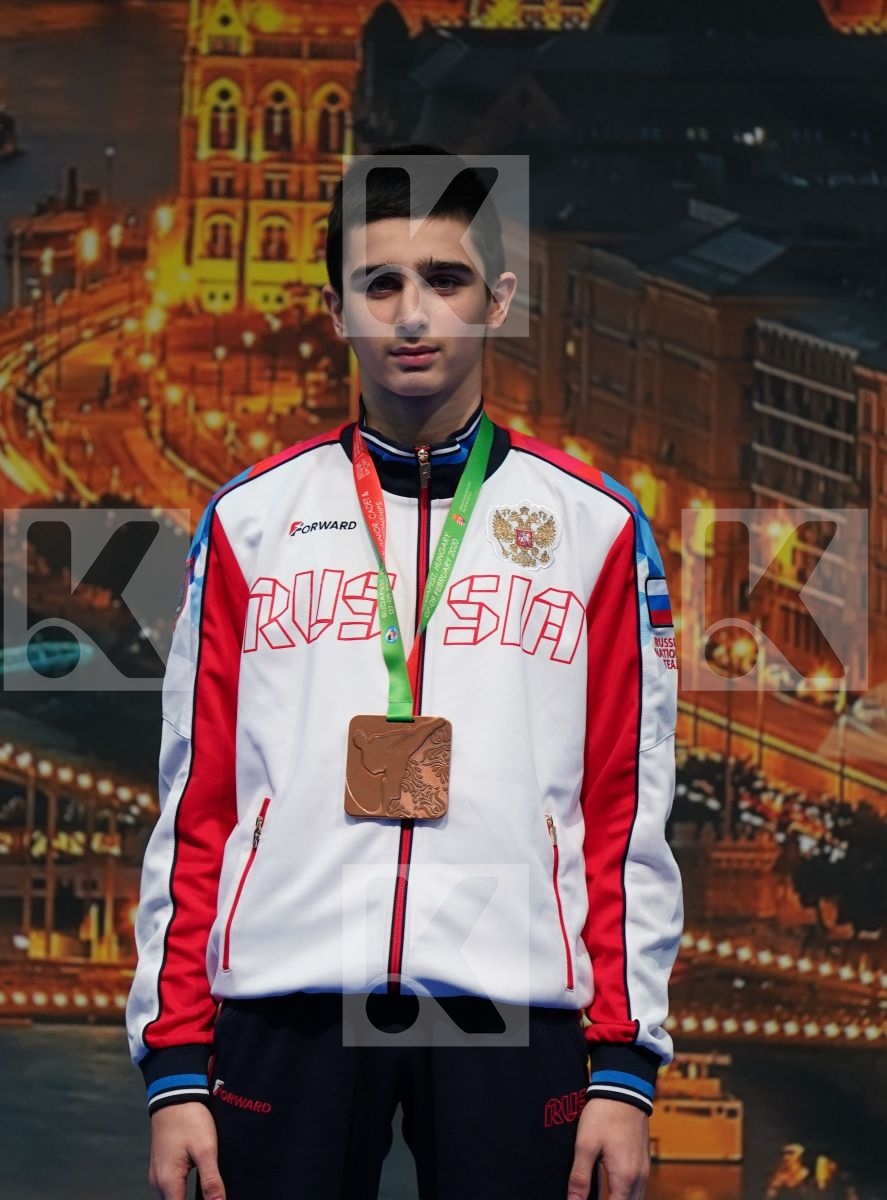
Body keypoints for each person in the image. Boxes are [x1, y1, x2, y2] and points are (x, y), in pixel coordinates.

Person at [126, 144, 683, 1200]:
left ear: (499, 300)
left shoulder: (596, 529)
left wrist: (625, 1063)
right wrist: (174, 1067)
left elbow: (624, 813)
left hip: (512, 1008)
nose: (413, 315)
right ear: (335, 307)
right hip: (289, 1005)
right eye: (381, 284)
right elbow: (196, 807)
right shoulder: (249, 523)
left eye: (445, 280)